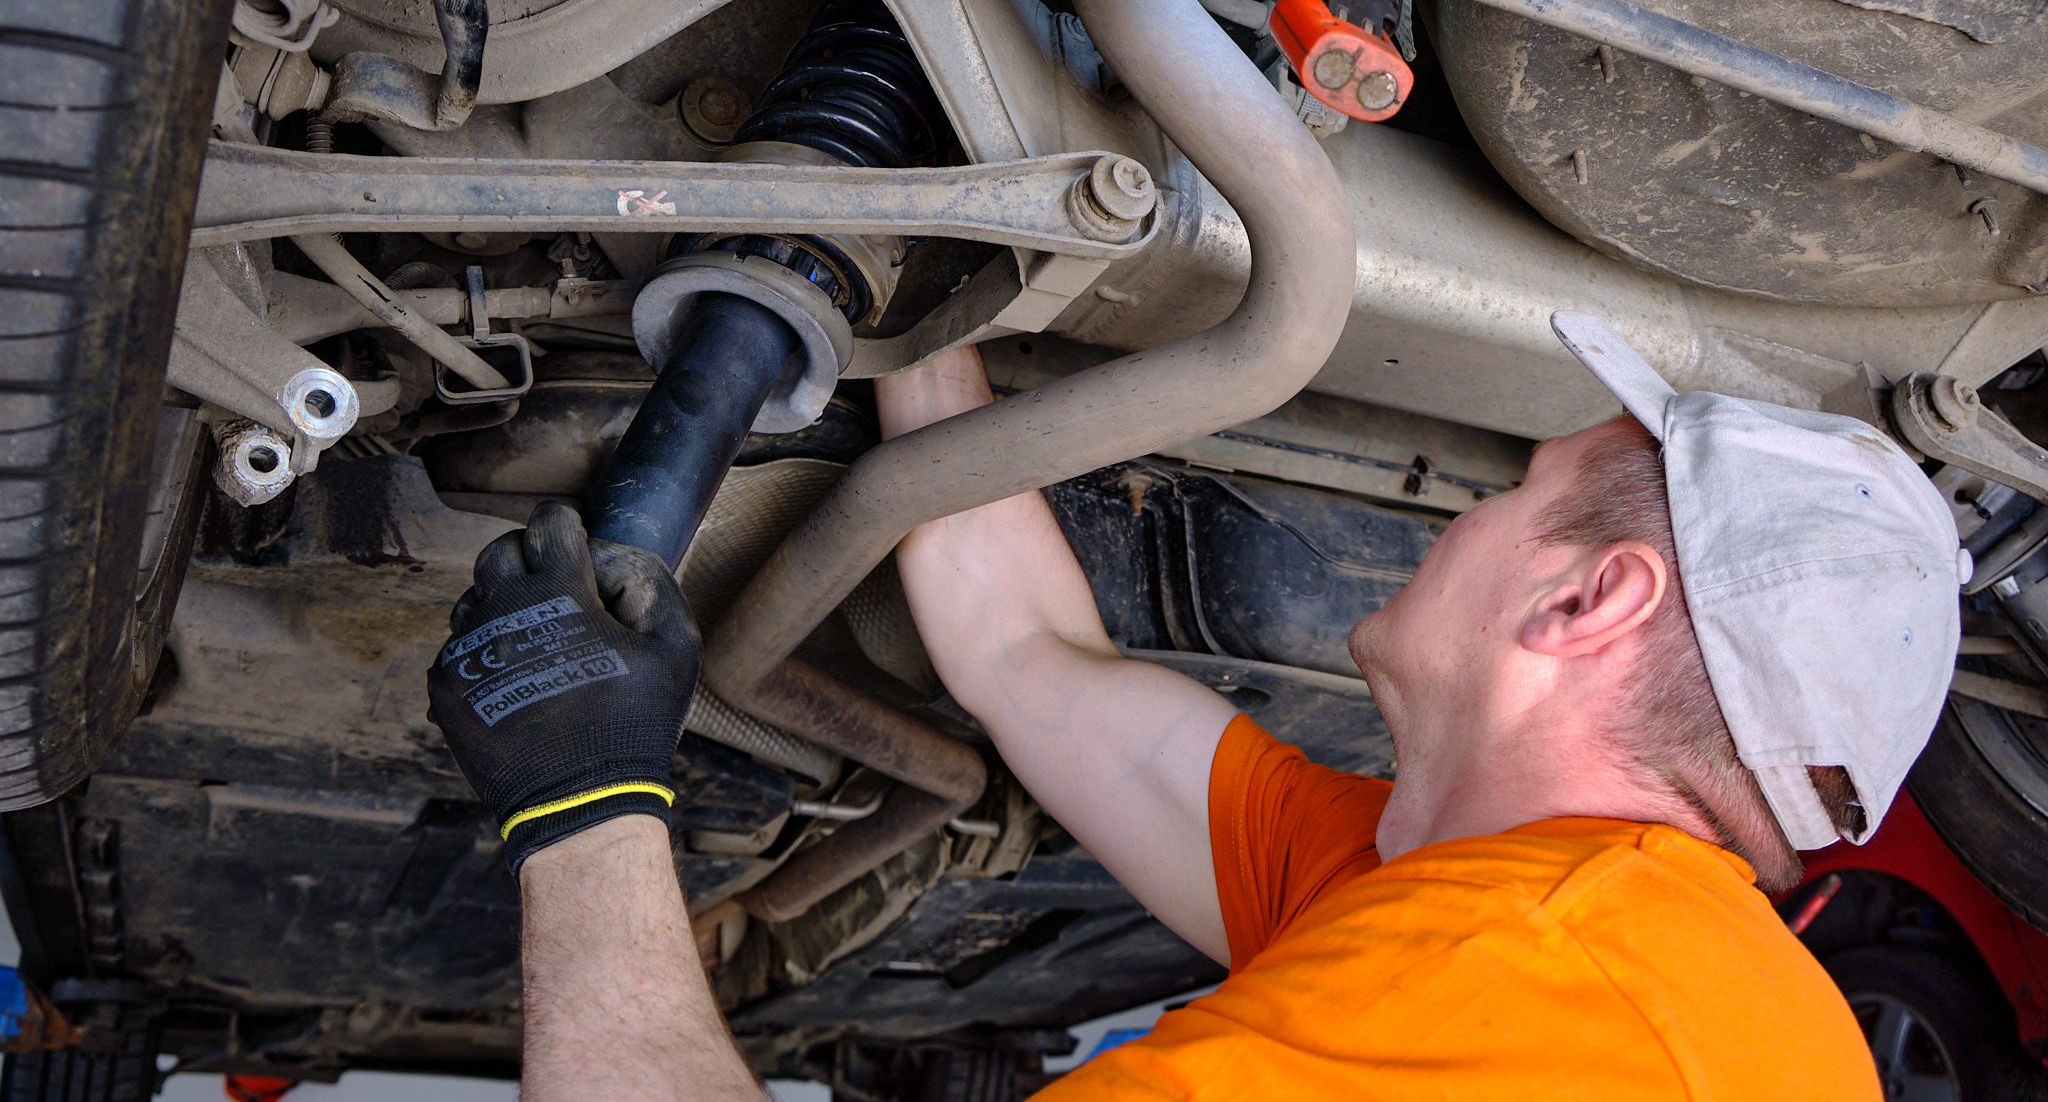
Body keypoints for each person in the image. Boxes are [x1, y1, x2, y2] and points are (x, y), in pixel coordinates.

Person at [426, 311, 1967, 1100]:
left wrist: (582, 800)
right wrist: (921, 320)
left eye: (1515, 491)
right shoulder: (1521, 911)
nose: (1468, 516)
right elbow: (1035, 659)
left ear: (1588, 601)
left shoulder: (1529, 1001)